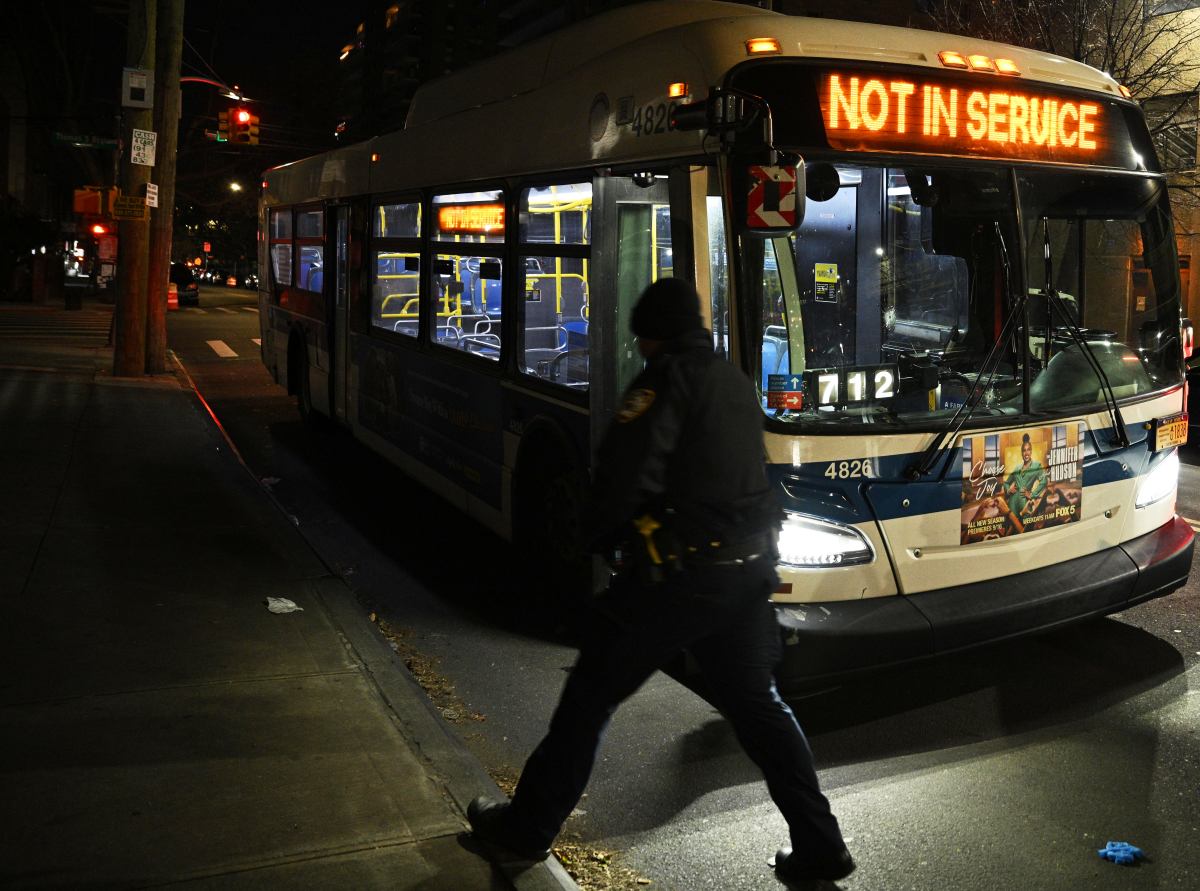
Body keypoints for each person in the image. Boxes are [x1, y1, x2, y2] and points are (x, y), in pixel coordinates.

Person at [468, 278, 854, 884]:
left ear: (652, 335)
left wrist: (594, 540)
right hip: (746, 576)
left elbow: (623, 477)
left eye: (643, 337)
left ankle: (524, 830)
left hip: (676, 582)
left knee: (588, 699)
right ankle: (820, 842)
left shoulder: (661, 382)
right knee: (761, 710)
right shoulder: (731, 378)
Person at [1005, 433, 1047, 519]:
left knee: (1025, 526)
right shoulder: (1017, 468)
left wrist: (1032, 495)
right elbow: (1006, 483)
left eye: (1028, 450)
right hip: (1012, 504)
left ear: (1031, 451)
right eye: (1024, 450)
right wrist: (1009, 490)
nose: (1026, 453)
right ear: (1021, 453)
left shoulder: (1036, 466)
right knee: (1011, 527)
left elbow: (1044, 481)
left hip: (1024, 504)